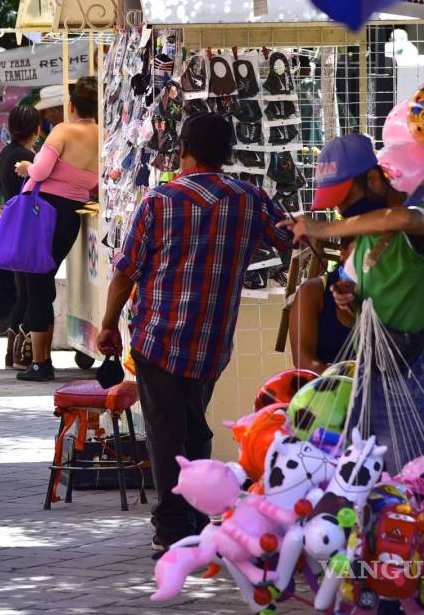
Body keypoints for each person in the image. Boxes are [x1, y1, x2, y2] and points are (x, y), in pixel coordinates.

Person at [96, 112, 293, 554]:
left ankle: (173, 530)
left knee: (167, 433)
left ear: (183, 148)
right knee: (194, 428)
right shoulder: (251, 199)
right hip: (210, 341)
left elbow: (126, 272)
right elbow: (292, 239)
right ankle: (197, 516)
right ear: (227, 152)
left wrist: (109, 324)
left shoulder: (159, 201)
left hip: (158, 336)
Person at [280, 134, 424, 474]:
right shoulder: (364, 239)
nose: (341, 209)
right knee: (364, 489)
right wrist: (347, 298)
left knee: (412, 485)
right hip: (365, 374)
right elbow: (362, 306)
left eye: (345, 199)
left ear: (374, 179)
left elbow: (402, 220)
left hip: (412, 378)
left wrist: (323, 228)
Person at [13, 77, 100, 382]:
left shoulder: (63, 130)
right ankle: (40, 357)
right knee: (44, 281)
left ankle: (41, 362)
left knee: (36, 285)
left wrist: (26, 168)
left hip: (43, 213)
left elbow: (40, 171)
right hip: (70, 217)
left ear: (72, 106)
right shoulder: (102, 135)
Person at [0, 105, 41, 369]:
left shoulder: (8, 153)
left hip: (14, 224)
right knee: (29, 290)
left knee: (22, 289)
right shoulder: (26, 156)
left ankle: (11, 352)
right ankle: (21, 353)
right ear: (36, 129)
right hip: (28, 225)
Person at [288, 242, 355, 373]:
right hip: (327, 388)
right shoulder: (313, 291)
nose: (368, 261)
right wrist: (340, 382)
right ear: (343, 253)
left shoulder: (392, 295)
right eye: (359, 252)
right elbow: (302, 359)